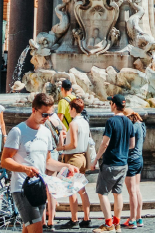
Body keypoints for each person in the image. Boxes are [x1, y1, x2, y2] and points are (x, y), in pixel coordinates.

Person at [2, 92, 66, 233]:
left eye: (50, 114)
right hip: (22, 188)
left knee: (28, 229)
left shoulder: (46, 132)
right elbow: (5, 160)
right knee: (37, 229)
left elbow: (48, 161)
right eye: (44, 114)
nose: (47, 118)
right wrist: (25, 169)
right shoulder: (18, 131)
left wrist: (66, 166)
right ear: (33, 110)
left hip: (39, 187)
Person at [90, 94, 135, 231]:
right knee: (118, 193)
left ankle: (108, 224)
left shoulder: (111, 121)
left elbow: (104, 144)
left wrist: (96, 159)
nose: (110, 105)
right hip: (123, 163)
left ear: (114, 105)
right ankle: (117, 224)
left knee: (102, 193)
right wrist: (121, 147)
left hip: (110, 163)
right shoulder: (129, 122)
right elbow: (132, 144)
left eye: (111, 103)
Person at [61, 97, 93, 228]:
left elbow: (73, 144)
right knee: (81, 189)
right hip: (83, 157)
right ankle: (87, 218)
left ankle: (74, 220)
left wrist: (60, 147)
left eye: (70, 108)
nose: (69, 111)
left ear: (73, 109)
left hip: (73, 158)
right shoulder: (85, 122)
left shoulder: (74, 123)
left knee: (71, 189)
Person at [123, 109, 145, 229]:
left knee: (132, 191)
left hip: (131, 160)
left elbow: (130, 144)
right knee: (136, 189)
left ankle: (132, 220)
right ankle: (138, 217)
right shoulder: (141, 125)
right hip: (139, 158)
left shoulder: (132, 127)